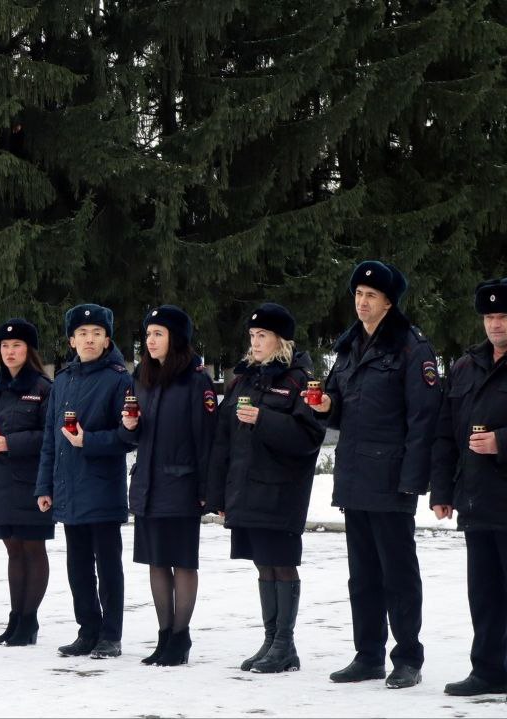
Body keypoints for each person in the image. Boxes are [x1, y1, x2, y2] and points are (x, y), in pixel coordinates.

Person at [306, 261, 441, 689]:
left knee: (398, 573)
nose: (362, 303)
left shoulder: (410, 347)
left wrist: (412, 480)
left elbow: (425, 418)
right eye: (358, 295)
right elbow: (342, 405)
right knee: (362, 574)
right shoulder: (349, 347)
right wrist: (328, 407)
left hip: (391, 476)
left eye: (371, 296)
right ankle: (368, 655)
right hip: (355, 473)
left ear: (388, 301)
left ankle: (407, 657)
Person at [206, 303, 325, 674]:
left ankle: (285, 645)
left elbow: (309, 437)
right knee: (262, 565)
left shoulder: (299, 380)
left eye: (263, 336)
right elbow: (224, 439)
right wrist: (219, 494)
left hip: (281, 490)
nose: (255, 343)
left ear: (280, 340)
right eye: (253, 336)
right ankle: (270, 639)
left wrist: (264, 419)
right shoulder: (244, 379)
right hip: (246, 489)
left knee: (282, 564)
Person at [119, 304, 216, 666]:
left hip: (182, 485)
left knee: (181, 562)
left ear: (176, 339)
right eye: (148, 334)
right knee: (156, 562)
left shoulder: (195, 380)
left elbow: (205, 439)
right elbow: (133, 433)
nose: (151, 340)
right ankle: (163, 637)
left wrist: (207, 490)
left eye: (158, 333)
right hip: (147, 484)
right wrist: (127, 428)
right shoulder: (142, 378)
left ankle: (181, 636)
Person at [36, 304, 134, 659]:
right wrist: (44, 487)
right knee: (77, 567)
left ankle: (111, 634)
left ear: (107, 340)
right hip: (68, 488)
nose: (89, 340)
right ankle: (87, 630)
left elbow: (128, 436)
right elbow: (51, 438)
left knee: (108, 567)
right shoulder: (62, 380)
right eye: (82, 334)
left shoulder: (120, 379)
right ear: (72, 340)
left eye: (96, 334)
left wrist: (89, 441)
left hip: (102, 487)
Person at [430, 277, 507, 697]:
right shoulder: (465, 366)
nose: (495, 324)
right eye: (489, 316)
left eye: (503, 316)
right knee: (484, 593)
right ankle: (489, 669)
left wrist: (502, 442)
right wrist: (442, 490)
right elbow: (445, 434)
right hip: (477, 501)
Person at [0, 318, 52, 647]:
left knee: (33, 549)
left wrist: (11, 443)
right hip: (1, 484)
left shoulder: (43, 388)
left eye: (16, 345)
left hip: (32, 482)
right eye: (5, 346)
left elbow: (50, 436)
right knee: (13, 551)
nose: (10, 351)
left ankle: (29, 621)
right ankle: (15, 617)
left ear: (28, 350)